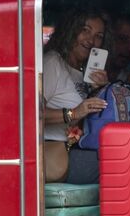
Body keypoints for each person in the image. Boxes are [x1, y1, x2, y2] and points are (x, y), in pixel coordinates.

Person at [43, 11, 109, 183]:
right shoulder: (53, 63)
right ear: (70, 30)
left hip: (80, 148)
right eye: (85, 30)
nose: (91, 40)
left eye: (98, 36)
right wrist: (73, 113)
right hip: (59, 154)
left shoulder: (84, 73)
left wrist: (102, 90)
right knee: (118, 165)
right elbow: (31, 114)